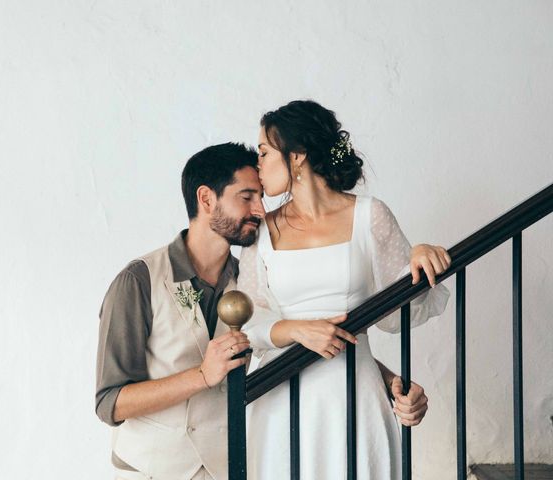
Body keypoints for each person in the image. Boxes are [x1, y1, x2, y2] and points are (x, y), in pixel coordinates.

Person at [96, 142, 432, 480]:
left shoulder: (250, 280)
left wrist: (389, 381)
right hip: (153, 470)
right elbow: (110, 402)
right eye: (246, 197)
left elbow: (315, 338)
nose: (260, 210)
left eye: (261, 197)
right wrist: (201, 375)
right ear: (207, 199)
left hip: (229, 466)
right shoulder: (138, 281)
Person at [237, 100, 451, 480]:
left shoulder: (371, 215)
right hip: (280, 398)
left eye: (265, 152)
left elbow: (401, 310)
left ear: (297, 155)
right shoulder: (262, 232)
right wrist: (298, 329)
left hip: (355, 396)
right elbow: (247, 319)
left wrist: (418, 257)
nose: (258, 164)